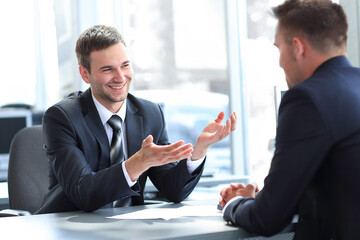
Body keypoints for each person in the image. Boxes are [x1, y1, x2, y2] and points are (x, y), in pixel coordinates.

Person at [36, 25, 236, 214]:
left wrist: (199, 151)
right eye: (107, 69)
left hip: (130, 229)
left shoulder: (149, 113)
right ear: (85, 74)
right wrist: (138, 162)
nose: (120, 77)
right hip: (70, 229)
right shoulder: (62, 117)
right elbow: (83, 192)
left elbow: (173, 191)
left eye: (125, 65)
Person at [219, 0, 360, 239]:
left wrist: (235, 204)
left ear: (297, 47)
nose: (280, 62)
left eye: (279, 48)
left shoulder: (306, 99)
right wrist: (262, 197)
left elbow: (267, 218)